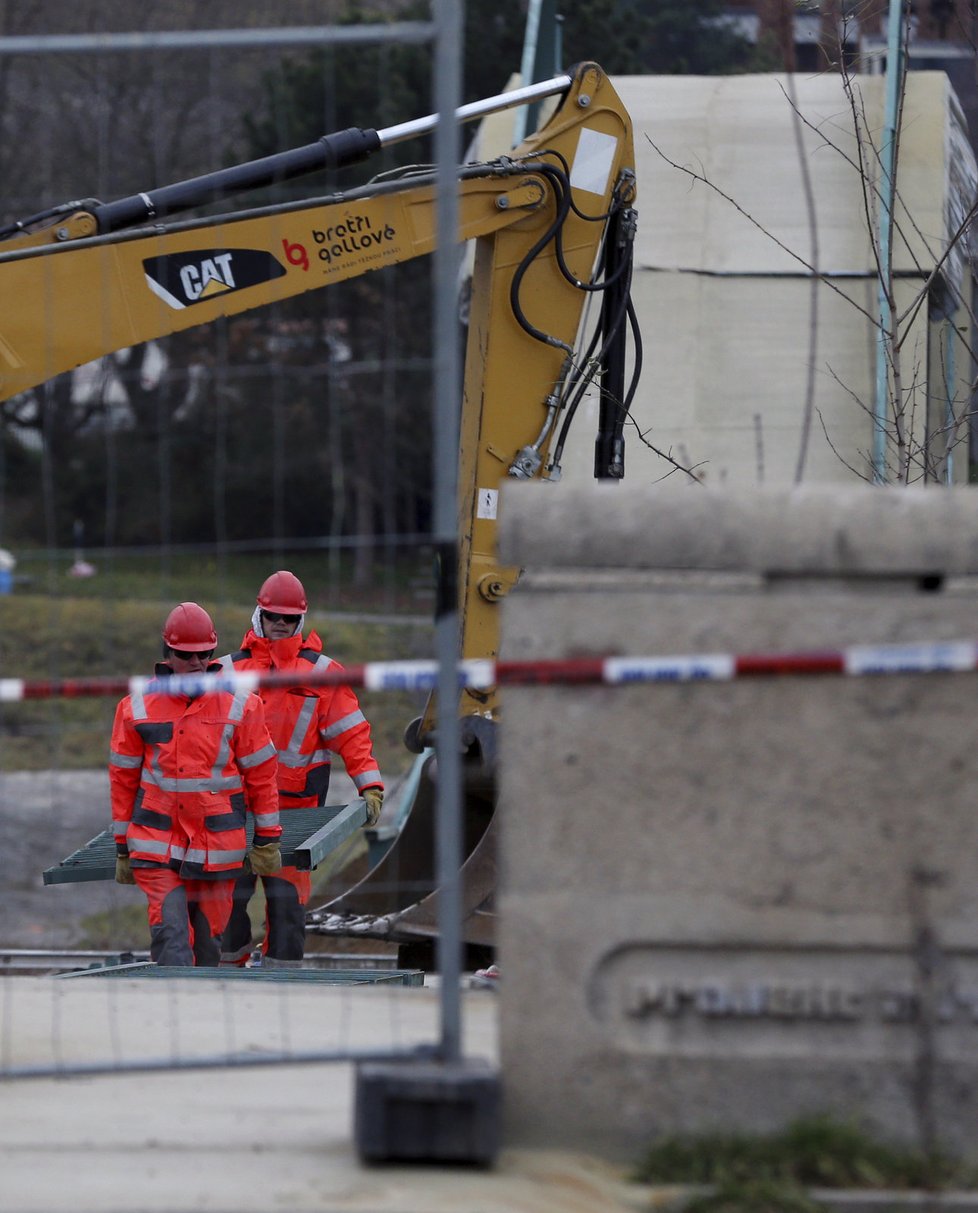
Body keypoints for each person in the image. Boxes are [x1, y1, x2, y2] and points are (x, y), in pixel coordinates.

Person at [217, 570, 384, 968]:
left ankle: (281, 990)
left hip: (297, 818)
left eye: (288, 618)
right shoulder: (224, 671)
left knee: (288, 913)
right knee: (224, 908)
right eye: (273, 615)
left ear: (300, 621)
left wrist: (370, 784)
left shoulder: (324, 675)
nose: (280, 623)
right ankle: (220, 983)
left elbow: (352, 734)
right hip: (234, 813)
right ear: (259, 613)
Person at [109, 602, 282, 967]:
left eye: (205, 654)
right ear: (167, 654)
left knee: (208, 950)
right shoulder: (136, 707)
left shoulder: (241, 705)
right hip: (156, 845)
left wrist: (267, 840)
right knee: (171, 937)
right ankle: (174, 1013)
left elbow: (262, 776)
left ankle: (200, 1016)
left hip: (217, 849)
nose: (198, 663)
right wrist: (123, 846)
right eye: (187, 656)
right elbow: (123, 780)